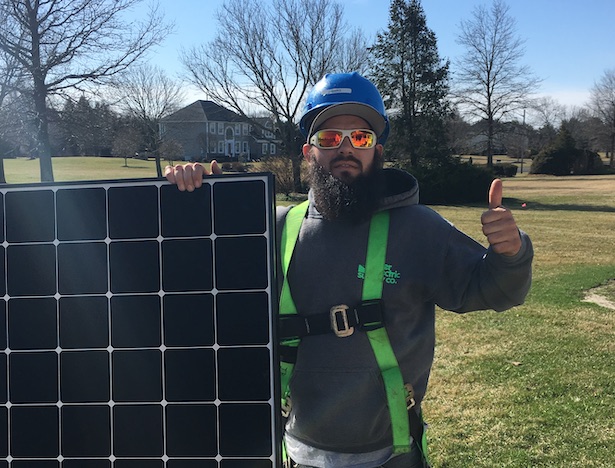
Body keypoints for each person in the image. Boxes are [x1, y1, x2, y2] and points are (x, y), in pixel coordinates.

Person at [165, 72, 533, 468]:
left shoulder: (419, 229)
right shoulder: (273, 230)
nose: (345, 148)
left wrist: (510, 253)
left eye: (360, 137)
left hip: (393, 455)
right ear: (309, 152)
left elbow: (498, 290)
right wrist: (205, 203)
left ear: (378, 151)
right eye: (328, 138)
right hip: (294, 454)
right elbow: (196, 291)